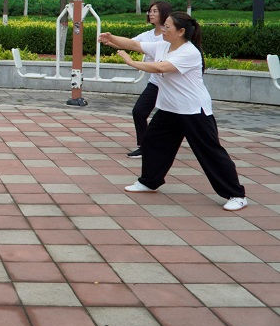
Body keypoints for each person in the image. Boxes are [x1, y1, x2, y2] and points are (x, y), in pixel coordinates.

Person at [99, 11, 247, 211]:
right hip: (170, 108)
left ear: (181, 31)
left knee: (210, 152)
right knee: (152, 142)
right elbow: (134, 45)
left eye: (167, 26)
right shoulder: (163, 45)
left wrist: (132, 63)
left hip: (193, 110)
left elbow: (161, 68)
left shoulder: (189, 52)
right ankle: (149, 181)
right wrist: (111, 38)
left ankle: (236, 194)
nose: (163, 29)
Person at [125, 0, 172, 158]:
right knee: (139, 112)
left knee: (182, 119)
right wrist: (110, 39)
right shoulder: (148, 35)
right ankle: (144, 147)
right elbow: (131, 43)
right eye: (150, 11)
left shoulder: (170, 35)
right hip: (156, 83)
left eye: (155, 11)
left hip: (173, 84)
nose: (150, 14)